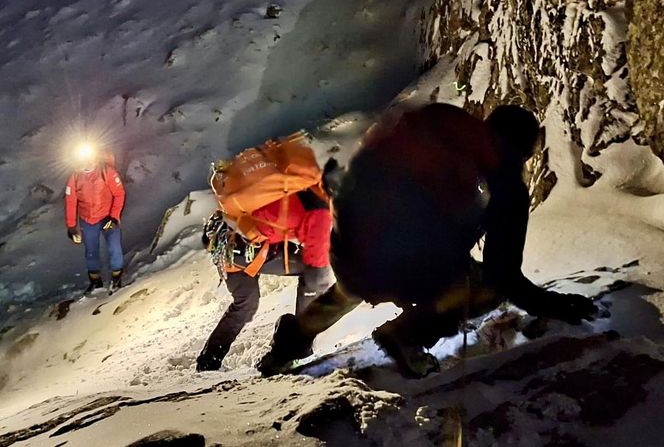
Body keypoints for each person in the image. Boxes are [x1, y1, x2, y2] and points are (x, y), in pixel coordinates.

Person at [257, 103, 597, 378]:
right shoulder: (505, 185)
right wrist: (555, 305)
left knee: (363, 275)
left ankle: (288, 346)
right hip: (399, 265)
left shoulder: (444, 133)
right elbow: (504, 277)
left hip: (349, 247)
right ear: (524, 150)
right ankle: (405, 337)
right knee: (481, 287)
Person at [195, 182, 335, 372]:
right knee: (314, 274)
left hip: (227, 242)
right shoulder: (320, 213)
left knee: (245, 304)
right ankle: (295, 347)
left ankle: (208, 361)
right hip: (247, 248)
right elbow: (317, 260)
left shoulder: (300, 188)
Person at [65, 150, 126, 294]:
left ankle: (117, 279)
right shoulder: (75, 177)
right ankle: (95, 281)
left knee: (114, 248)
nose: (86, 164)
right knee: (91, 251)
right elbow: (71, 201)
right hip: (88, 220)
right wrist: (71, 226)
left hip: (108, 218)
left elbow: (119, 194)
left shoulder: (107, 172)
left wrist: (114, 216)